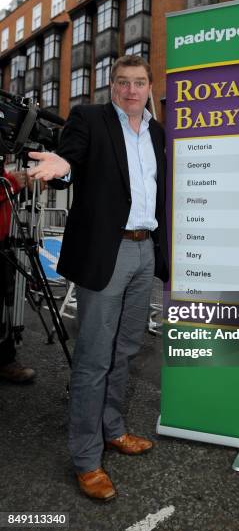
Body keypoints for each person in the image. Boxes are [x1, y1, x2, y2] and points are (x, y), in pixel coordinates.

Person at [28, 55, 168, 501]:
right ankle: (87, 459)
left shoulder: (157, 133)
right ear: (112, 86)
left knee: (126, 349)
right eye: (123, 82)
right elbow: (71, 159)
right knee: (93, 358)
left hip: (146, 249)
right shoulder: (88, 118)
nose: (131, 90)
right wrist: (60, 166)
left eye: (139, 82)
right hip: (108, 254)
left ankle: (112, 429)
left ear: (149, 87)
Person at [0, 169, 36, 383]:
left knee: (6, 300)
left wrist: (25, 186)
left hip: (4, 241)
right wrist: (12, 182)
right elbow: (7, 184)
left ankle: (5, 359)